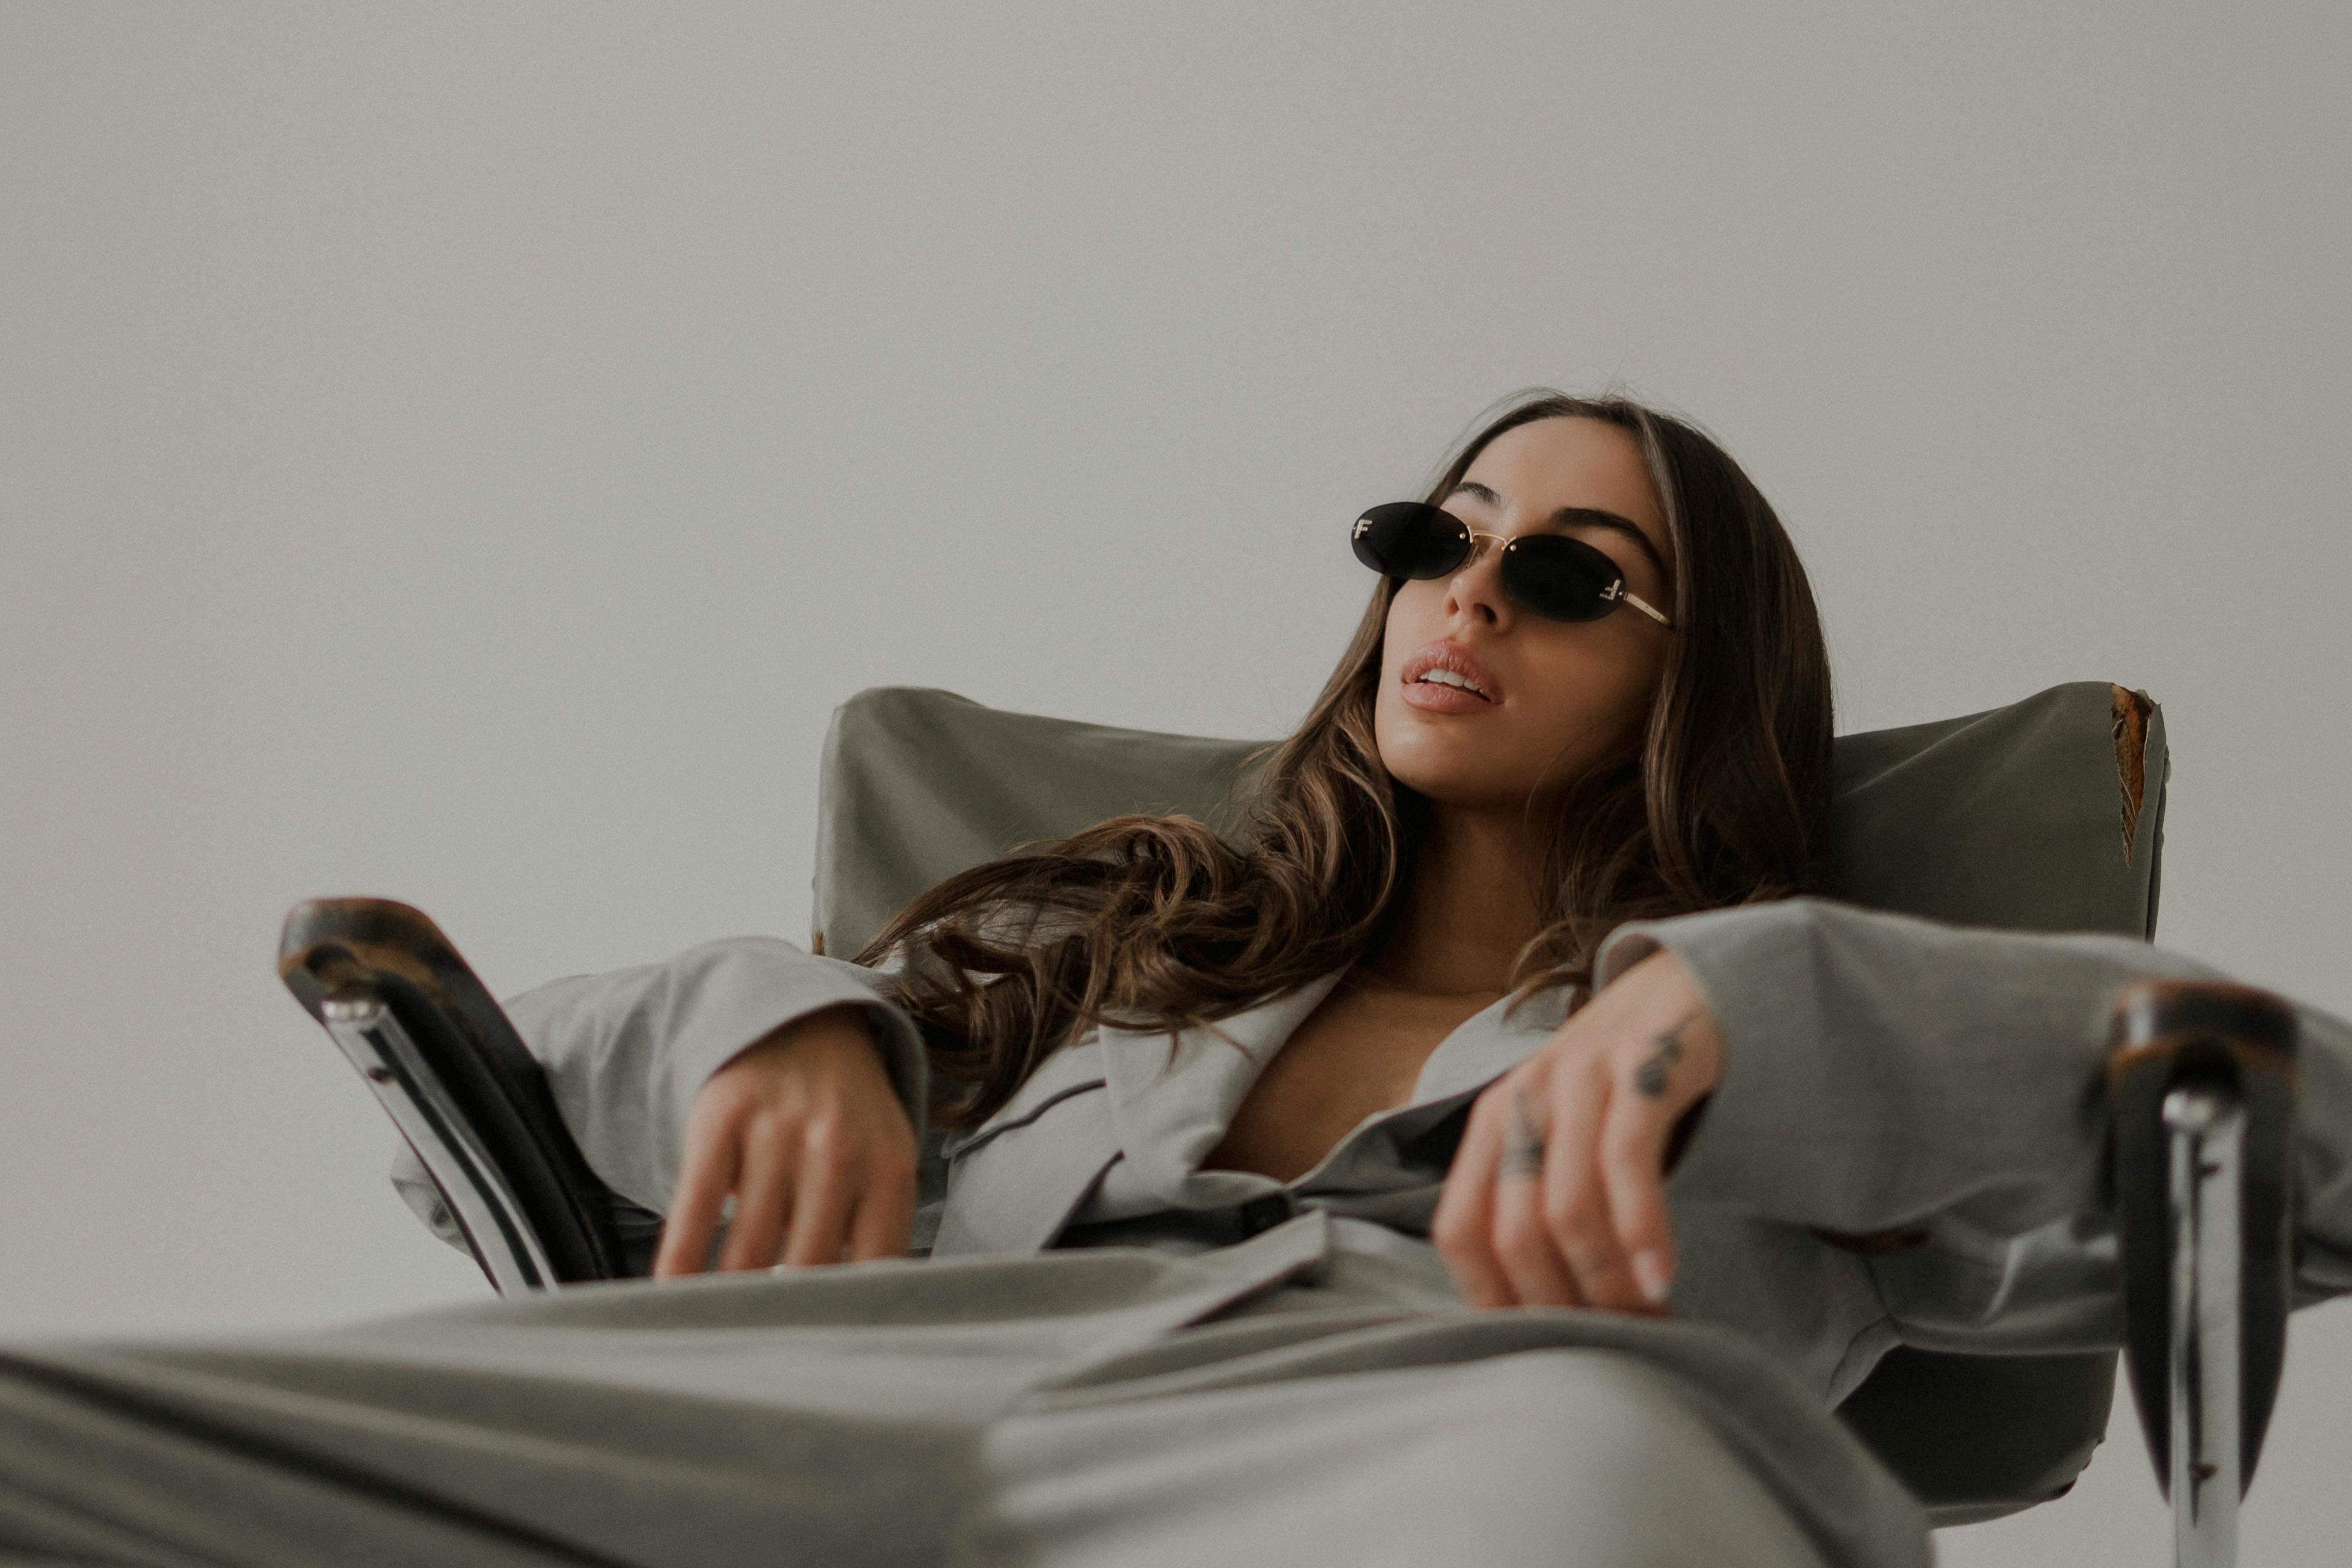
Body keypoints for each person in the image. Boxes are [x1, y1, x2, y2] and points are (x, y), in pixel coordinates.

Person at [8, 391, 2350, 1568]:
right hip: (863, 1414)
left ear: (1696, 676)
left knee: (1587, 1479)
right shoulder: (1110, 946)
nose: (1467, 593)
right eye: (1438, 541)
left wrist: (1758, 996)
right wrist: (784, 1012)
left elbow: (2313, 1162)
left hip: (1443, 1438)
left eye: (1565, 574)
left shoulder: (1782, 1048)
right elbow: (483, 1138)